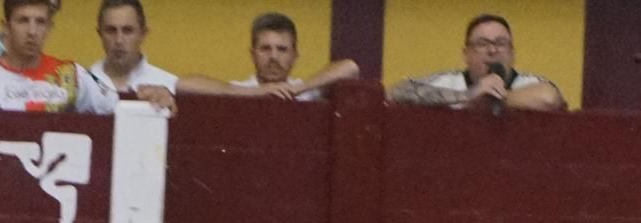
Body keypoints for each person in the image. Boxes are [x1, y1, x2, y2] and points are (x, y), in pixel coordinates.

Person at [0, 0, 172, 116]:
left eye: (41, 22)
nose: (32, 31)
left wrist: (153, 97)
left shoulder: (72, 75)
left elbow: (117, 105)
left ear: (49, 28)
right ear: (6, 26)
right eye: (23, 21)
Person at [388, 13, 565, 111]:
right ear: (466, 54)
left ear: (512, 53)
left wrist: (489, 99)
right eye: (482, 44)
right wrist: (469, 95)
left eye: (501, 43)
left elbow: (548, 98)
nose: (492, 50)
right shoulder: (449, 81)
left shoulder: (529, 82)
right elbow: (396, 92)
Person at [227, 12, 360, 101]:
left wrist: (296, 89)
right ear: (253, 54)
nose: (273, 56)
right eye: (265, 49)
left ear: (295, 55)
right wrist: (252, 92)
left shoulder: (307, 93)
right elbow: (205, 85)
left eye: (282, 49)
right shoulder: (237, 89)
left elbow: (350, 67)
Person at [90, 0, 176, 92]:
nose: (119, 40)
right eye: (111, 30)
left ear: (143, 34)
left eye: (127, 31)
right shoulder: (83, 86)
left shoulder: (169, 87)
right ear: (100, 34)